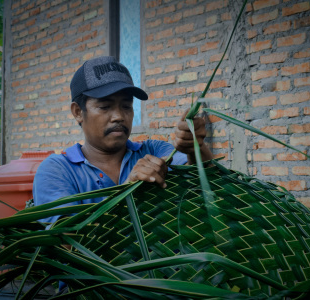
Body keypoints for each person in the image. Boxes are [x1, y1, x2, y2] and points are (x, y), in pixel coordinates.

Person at [33, 56, 213, 223]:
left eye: (126, 106)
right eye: (104, 107)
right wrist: (127, 192)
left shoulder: (153, 151)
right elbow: (69, 242)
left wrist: (196, 148)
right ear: (78, 112)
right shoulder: (57, 170)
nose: (119, 116)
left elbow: (207, 184)